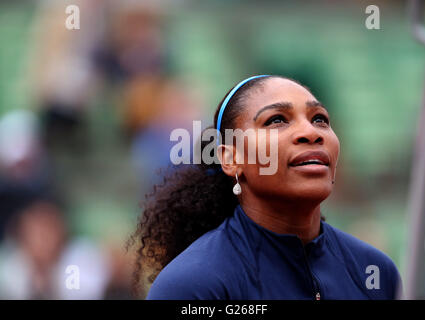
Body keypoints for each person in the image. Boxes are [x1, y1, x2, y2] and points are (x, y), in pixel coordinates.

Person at [131, 75, 403, 300]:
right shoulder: (192, 285)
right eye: (276, 120)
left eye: (319, 118)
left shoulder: (377, 271)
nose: (311, 132)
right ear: (231, 158)